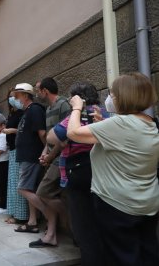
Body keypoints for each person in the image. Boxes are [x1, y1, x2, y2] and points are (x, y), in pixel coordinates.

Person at [67, 73, 159, 265]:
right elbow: (124, 145)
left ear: (125, 97)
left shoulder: (121, 123)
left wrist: (76, 108)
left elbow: (74, 133)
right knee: (147, 253)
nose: (111, 99)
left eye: (113, 94)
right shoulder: (151, 122)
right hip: (147, 203)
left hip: (117, 205)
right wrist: (102, 125)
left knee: (121, 257)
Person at [48, 82, 105, 265]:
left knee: (83, 224)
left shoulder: (76, 115)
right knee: (100, 221)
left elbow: (52, 137)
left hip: (79, 172)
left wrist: (75, 111)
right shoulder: (104, 113)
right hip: (102, 172)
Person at [27, 77, 71, 248]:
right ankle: (51, 234)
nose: (38, 94)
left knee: (43, 192)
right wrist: (44, 153)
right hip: (53, 158)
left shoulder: (63, 105)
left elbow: (66, 137)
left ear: (45, 90)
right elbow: (49, 138)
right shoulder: (48, 109)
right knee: (48, 195)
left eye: (38, 90)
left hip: (62, 158)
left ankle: (70, 217)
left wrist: (50, 156)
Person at [12, 83, 47, 236]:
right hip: (26, 156)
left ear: (25, 95)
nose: (15, 99)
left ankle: (50, 214)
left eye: (17, 96)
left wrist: (47, 152)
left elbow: (42, 133)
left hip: (31, 156)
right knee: (29, 188)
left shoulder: (35, 109)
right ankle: (32, 222)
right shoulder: (27, 111)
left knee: (23, 188)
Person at [2, 89, 29, 224]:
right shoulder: (13, 113)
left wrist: (11, 130)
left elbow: (24, 130)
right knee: (13, 184)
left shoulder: (23, 113)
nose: (12, 99)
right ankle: (13, 213)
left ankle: (20, 215)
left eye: (15, 97)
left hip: (19, 150)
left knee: (18, 183)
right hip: (12, 150)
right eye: (11, 97)